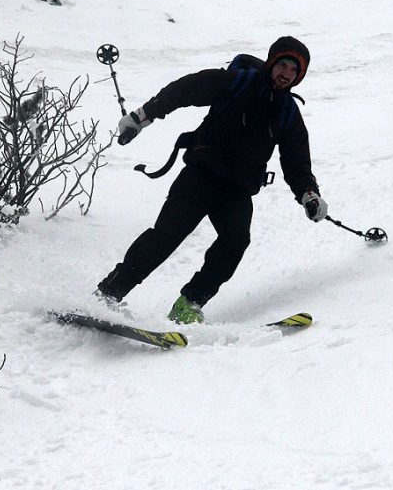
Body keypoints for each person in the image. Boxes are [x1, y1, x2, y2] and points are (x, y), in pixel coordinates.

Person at [97, 36, 328, 324]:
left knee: (235, 241)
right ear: (271, 63)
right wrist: (142, 117)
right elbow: (184, 90)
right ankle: (109, 293)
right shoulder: (237, 81)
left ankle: (189, 303)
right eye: (282, 65)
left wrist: (309, 194)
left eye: (294, 71)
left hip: (237, 190)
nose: (286, 74)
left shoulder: (288, 113)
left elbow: (296, 162)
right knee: (166, 236)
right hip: (200, 175)